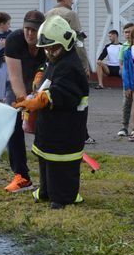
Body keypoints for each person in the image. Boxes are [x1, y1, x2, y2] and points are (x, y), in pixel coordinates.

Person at [13, 15, 89, 209]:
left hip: (66, 127)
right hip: (50, 126)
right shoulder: (57, 57)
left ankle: (63, 197)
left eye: (52, 48)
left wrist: (42, 99)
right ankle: (46, 191)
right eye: (46, 49)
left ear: (64, 43)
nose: (48, 52)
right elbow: (46, 68)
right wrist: (39, 76)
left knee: (61, 166)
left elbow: (65, 92)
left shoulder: (71, 66)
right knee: (46, 160)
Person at [1, 11, 46, 192]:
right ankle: (22, 176)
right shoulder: (14, 40)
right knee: (12, 123)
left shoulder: (49, 41)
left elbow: (50, 73)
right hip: (19, 86)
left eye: (34, 30)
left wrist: (36, 100)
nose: (29, 34)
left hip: (43, 86)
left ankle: (49, 176)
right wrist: (22, 103)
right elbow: (15, 76)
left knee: (45, 128)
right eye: (26, 29)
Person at [46, 0, 94, 86]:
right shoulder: (71, 14)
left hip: (50, 60)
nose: (72, 2)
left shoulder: (46, 15)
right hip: (68, 60)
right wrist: (84, 64)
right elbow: (79, 41)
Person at [116, 22, 134, 138]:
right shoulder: (124, 47)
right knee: (127, 102)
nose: (128, 34)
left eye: (130, 31)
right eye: (126, 32)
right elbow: (121, 64)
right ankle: (124, 126)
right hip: (128, 79)